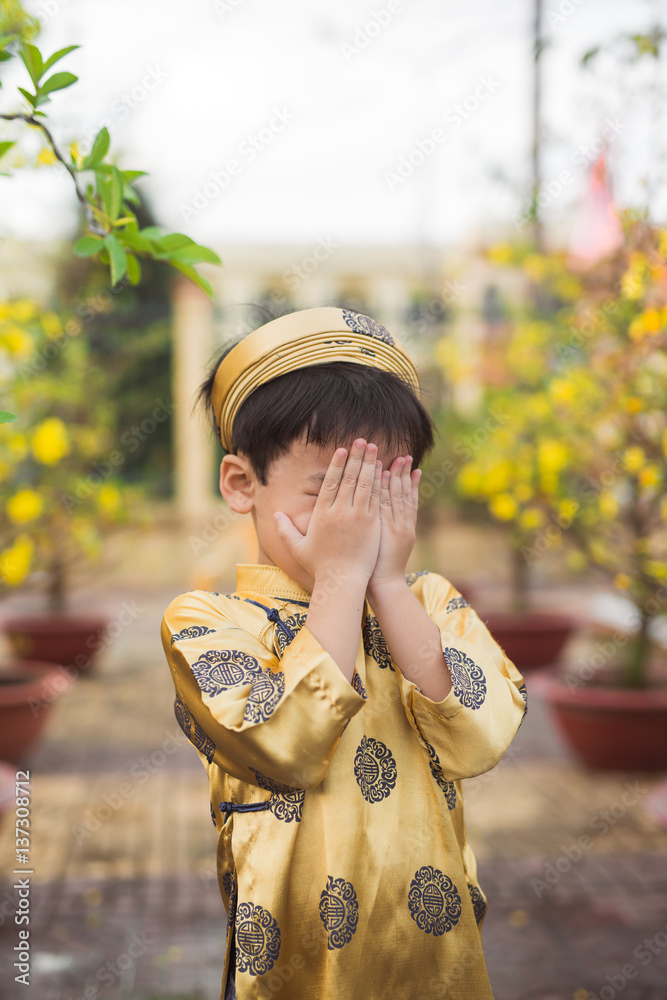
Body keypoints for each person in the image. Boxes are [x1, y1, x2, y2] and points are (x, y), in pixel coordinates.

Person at [160, 306, 528, 1000]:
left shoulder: (430, 601)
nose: (354, 527)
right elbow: (283, 743)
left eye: (378, 496)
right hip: (298, 966)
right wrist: (337, 579)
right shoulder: (207, 620)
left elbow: (479, 739)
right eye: (331, 497)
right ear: (241, 484)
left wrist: (385, 583)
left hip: (435, 955)